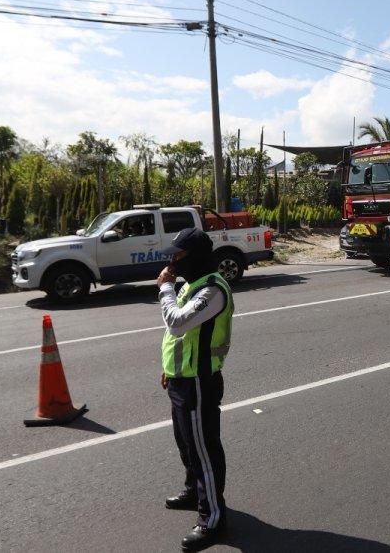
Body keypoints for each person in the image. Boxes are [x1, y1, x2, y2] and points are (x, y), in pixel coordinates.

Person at [156, 227, 233, 551]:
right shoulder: (191, 284)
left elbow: (177, 323)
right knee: (186, 444)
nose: (172, 262)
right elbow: (180, 338)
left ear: (196, 257)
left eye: (178, 255)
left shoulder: (213, 290)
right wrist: (169, 369)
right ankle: (194, 491)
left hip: (200, 382)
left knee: (203, 450)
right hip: (181, 379)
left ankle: (212, 517)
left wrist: (165, 288)